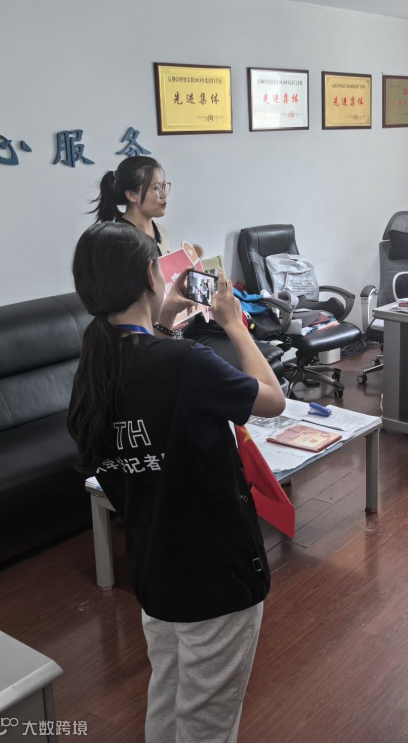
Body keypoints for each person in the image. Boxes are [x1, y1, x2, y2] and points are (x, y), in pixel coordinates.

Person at [68, 222, 286, 743]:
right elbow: (272, 400)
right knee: (206, 723)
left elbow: (149, 368)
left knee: (167, 696)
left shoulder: (94, 367)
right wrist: (234, 324)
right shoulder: (186, 362)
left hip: (155, 569)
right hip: (214, 573)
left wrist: (163, 317)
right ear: (152, 275)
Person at [92, 155, 172, 255]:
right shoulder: (115, 240)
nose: (164, 195)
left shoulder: (161, 232)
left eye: (164, 186)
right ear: (131, 195)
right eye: (156, 188)